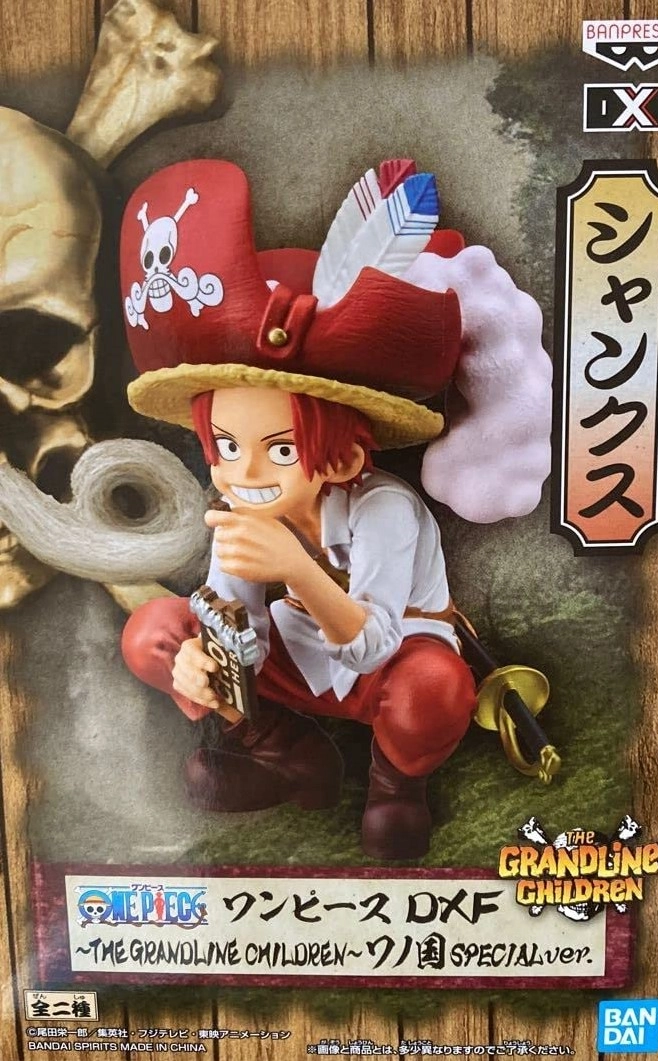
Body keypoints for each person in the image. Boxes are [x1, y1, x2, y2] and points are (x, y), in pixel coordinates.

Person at [117, 156, 551, 860]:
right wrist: (203, 661)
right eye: (225, 445)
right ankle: (285, 755)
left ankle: (395, 786)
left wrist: (295, 566)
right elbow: (238, 619)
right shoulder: (241, 511)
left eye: (282, 449)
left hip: (387, 663)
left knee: (436, 687)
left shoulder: (384, 508)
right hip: (299, 661)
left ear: (346, 457)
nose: (245, 472)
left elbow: (373, 642)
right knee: (155, 633)